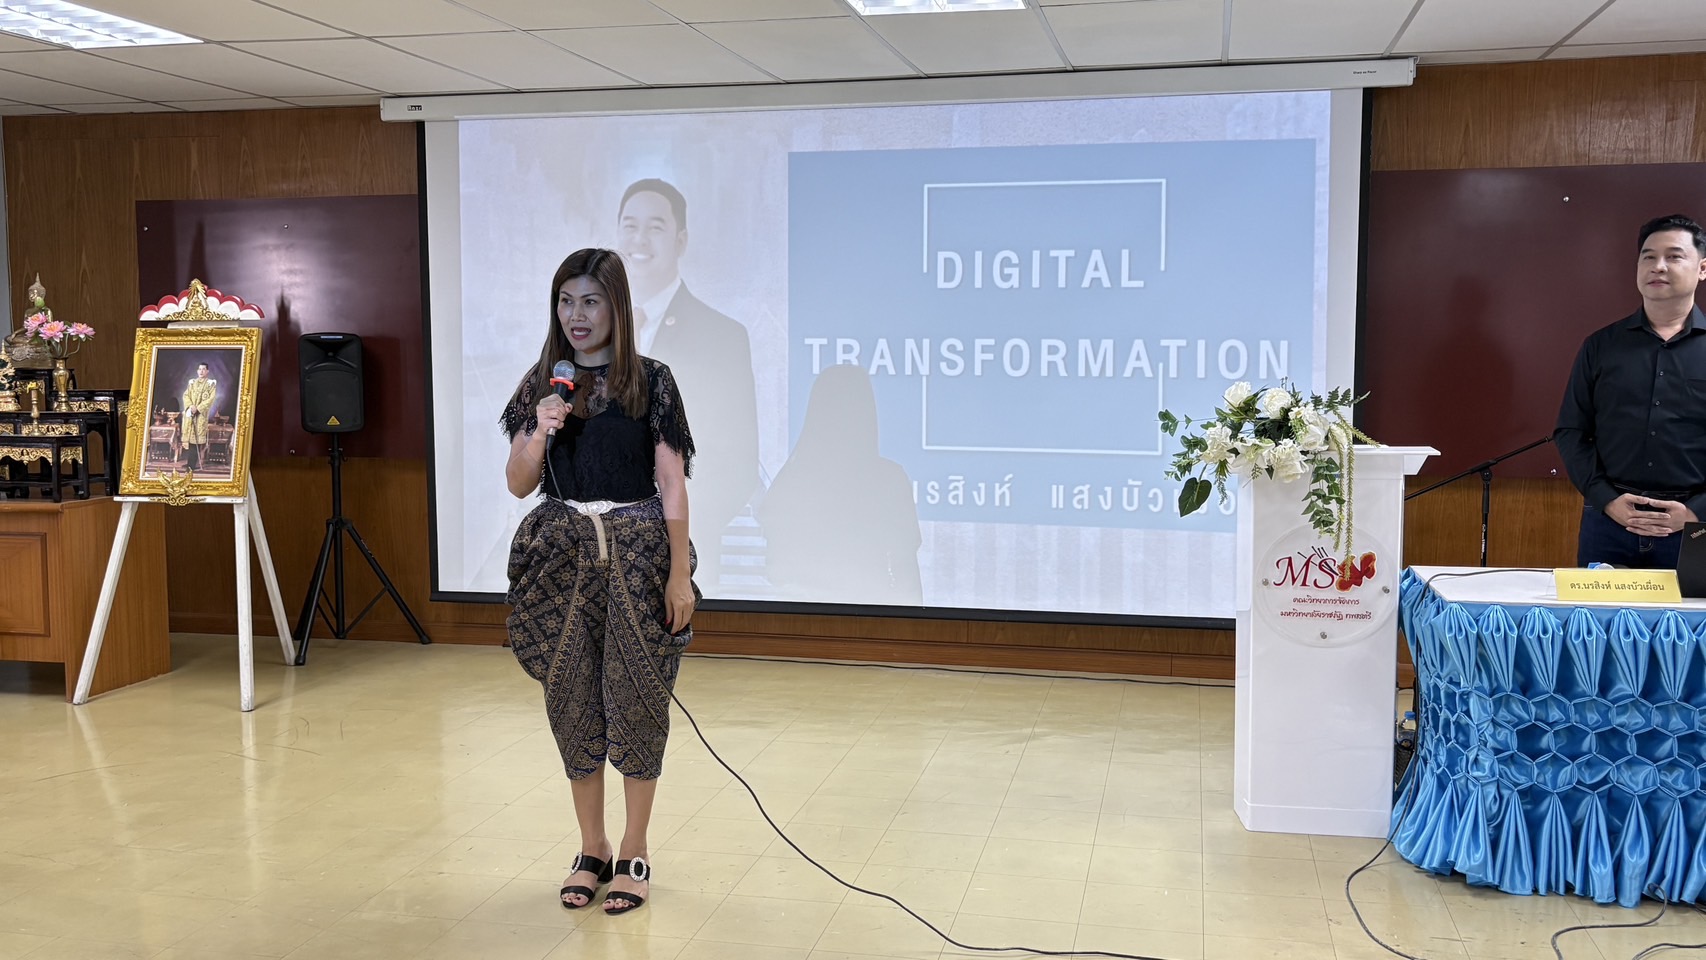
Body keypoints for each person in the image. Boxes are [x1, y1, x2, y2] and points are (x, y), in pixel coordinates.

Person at [500, 248, 697, 915]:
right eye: (566, 301)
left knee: (637, 699)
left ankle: (635, 848)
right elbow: (518, 482)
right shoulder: (543, 384)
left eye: (590, 301)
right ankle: (593, 848)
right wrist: (539, 432)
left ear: (617, 306)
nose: (576, 315)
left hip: (639, 557)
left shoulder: (652, 381)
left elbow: (671, 482)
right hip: (559, 560)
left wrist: (678, 573)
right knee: (572, 699)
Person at [617, 179, 759, 593]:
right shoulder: (591, 339)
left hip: (681, 551)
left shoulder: (722, 336)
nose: (640, 239)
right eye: (630, 226)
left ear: (680, 241)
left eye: (655, 227)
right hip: (601, 553)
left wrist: (680, 534)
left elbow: (739, 464)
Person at [1555, 213, 1706, 568]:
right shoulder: (1601, 346)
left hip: (1694, 527)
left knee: (1690, 609)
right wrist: (1607, 500)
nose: (1658, 266)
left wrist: (1696, 511)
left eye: (1674, 256)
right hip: (1609, 521)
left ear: (1702, 268)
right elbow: (1571, 431)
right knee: (1595, 607)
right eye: (1648, 257)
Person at [758, 364, 923, 604]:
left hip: (805, 614)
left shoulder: (791, 482)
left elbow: (776, 572)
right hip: (870, 611)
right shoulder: (890, 478)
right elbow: (906, 570)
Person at [180, 362, 216, 471]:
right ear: (197, 371)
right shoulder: (192, 383)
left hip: (200, 416)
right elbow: (186, 395)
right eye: (199, 369)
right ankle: (189, 463)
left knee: (195, 440)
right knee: (190, 440)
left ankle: (191, 465)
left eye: (203, 369)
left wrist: (198, 408)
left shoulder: (210, 384)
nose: (201, 371)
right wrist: (191, 406)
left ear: (207, 371)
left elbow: (210, 399)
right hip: (191, 413)